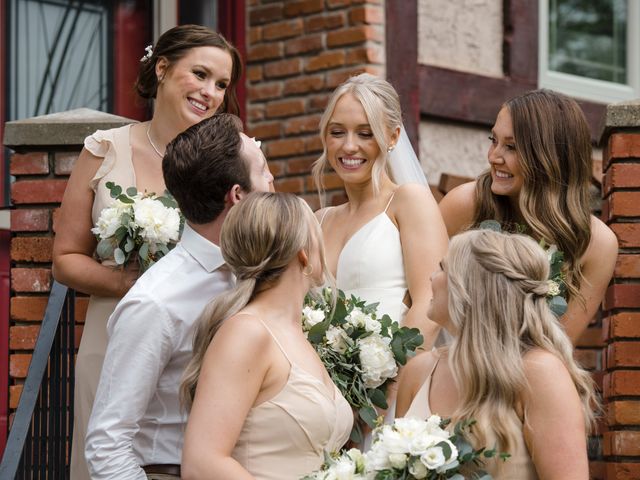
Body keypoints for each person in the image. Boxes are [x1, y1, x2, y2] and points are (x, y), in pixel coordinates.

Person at [51, 25, 242, 479]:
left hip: (202, 340)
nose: (210, 92)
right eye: (200, 74)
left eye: (222, 85)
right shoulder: (104, 150)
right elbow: (65, 259)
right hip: (114, 333)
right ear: (162, 68)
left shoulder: (240, 156)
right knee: (107, 449)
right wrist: (139, 284)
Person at [84, 114, 274, 479]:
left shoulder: (260, 275)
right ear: (237, 196)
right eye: (263, 171)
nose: (272, 181)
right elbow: (106, 444)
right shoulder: (156, 302)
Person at [396, 229, 598, 479]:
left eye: (442, 268)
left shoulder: (540, 372)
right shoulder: (418, 371)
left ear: (470, 286)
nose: (431, 277)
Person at [180, 192, 353, 480]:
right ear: (302, 251)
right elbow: (202, 463)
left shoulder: (298, 336)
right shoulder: (246, 332)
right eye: (316, 231)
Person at [438, 89, 617, 344]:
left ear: (551, 157)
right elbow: (419, 298)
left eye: (511, 147)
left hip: (528, 377)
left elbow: (557, 349)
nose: (493, 157)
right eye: (494, 140)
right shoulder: (464, 205)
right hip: (451, 362)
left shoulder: (598, 244)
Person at [312, 73, 448, 349]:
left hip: (392, 379)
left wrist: (393, 381)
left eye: (365, 133)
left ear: (393, 137)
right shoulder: (318, 220)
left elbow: (430, 303)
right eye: (337, 132)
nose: (349, 146)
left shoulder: (409, 201)